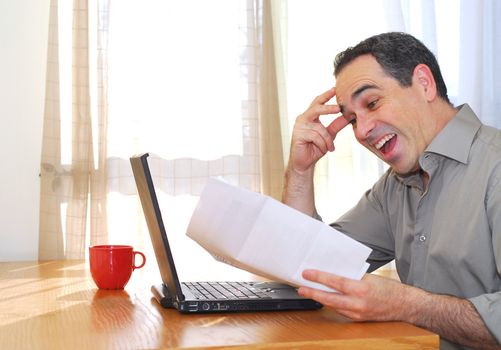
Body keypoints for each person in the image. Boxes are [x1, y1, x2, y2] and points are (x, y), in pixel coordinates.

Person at [282, 32, 501, 350]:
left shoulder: (495, 166)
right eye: (352, 119)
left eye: (372, 103)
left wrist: (408, 305)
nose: (362, 130)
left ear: (424, 84)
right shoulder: (394, 187)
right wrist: (301, 172)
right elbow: (310, 265)